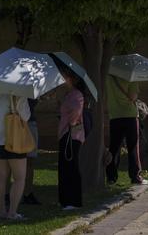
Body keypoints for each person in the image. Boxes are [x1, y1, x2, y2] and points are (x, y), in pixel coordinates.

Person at [0, 93, 30, 220]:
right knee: (19, 178)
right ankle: (12, 213)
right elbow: (25, 116)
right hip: (14, 139)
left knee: (0, 177)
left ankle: (1, 212)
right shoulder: (19, 91)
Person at [105, 74, 146, 185]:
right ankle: (135, 176)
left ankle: (111, 177)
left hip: (114, 115)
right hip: (130, 116)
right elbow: (133, 97)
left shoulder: (109, 76)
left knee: (114, 147)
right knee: (133, 147)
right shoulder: (131, 77)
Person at [57, 68, 85, 210]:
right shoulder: (68, 94)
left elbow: (75, 112)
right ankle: (65, 199)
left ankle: (73, 201)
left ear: (70, 78)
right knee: (64, 167)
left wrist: (71, 122)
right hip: (65, 133)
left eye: (63, 76)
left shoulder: (76, 95)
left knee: (71, 166)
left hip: (72, 134)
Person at [21, 98, 41, 205]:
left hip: (27, 122)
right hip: (22, 123)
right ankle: (25, 193)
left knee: (29, 161)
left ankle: (27, 192)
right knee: (25, 161)